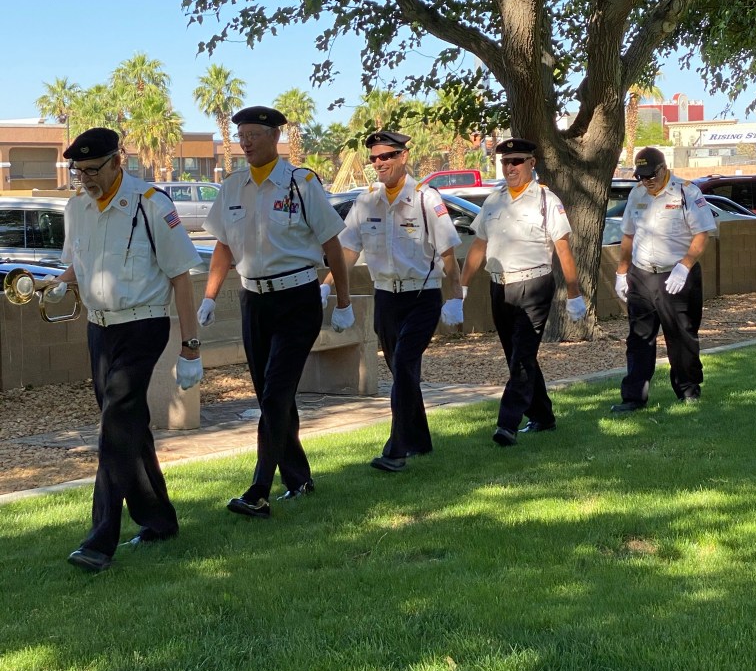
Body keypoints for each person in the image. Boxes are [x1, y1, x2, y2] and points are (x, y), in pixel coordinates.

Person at [56, 127, 204, 573]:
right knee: (129, 425)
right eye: (78, 171)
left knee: (115, 426)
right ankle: (159, 521)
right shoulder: (76, 208)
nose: (85, 179)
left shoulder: (151, 203)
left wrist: (191, 348)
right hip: (99, 329)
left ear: (118, 161)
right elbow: (77, 263)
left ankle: (101, 538)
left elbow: (180, 277)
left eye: (93, 169)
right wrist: (55, 284)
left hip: (143, 325)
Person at [198, 106, 352, 517]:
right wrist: (209, 297)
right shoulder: (233, 187)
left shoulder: (301, 183)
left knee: (275, 393)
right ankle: (299, 479)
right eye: (241, 136)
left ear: (275, 137)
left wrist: (343, 302)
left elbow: (332, 244)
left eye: (253, 134)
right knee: (273, 395)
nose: (245, 142)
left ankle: (259, 490)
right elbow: (223, 246)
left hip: (297, 298)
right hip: (254, 301)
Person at [325, 130, 463, 472]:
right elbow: (348, 251)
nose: (379, 163)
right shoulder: (366, 201)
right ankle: (420, 440)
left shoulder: (425, 199)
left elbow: (448, 254)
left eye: (386, 156)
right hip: (385, 297)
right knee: (403, 372)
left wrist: (456, 297)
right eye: (374, 158)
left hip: (421, 296)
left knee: (403, 364)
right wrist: (327, 286)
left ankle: (396, 450)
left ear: (403, 157)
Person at [460, 137, 587, 446]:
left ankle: (507, 424)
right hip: (499, 286)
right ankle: (543, 416)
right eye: (505, 162)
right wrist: (460, 286)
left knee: (522, 356)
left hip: (534, 285)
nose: (510, 167)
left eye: (517, 161)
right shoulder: (494, 200)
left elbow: (563, 249)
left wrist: (574, 293)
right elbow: (478, 245)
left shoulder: (546, 200)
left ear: (532, 163)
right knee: (517, 355)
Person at [611, 146, 717, 411]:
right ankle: (634, 397)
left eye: (651, 175)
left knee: (681, 337)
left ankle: (688, 391)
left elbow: (702, 233)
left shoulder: (686, 193)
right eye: (641, 176)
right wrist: (621, 272)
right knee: (639, 339)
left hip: (676, 276)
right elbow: (628, 235)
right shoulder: (637, 194)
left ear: (663, 168)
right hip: (642, 274)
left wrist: (685, 266)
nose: (647, 181)